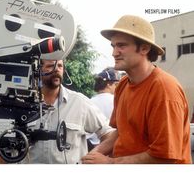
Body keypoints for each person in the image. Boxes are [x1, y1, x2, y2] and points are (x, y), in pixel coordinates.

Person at [82, 15, 192, 164]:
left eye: (121, 45)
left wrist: (109, 163)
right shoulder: (122, 85)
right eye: (113, 46)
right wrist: (92, 156)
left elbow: (165, 157)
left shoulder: (164, 89)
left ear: (145, 48)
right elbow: (120, 132)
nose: (114, 53)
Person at [23, 59, 114, 164]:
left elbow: (109, 133)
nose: (56, 70)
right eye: (50, 66)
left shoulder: (80, 102)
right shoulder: (22, 102)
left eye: (60, 66)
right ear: (37, 70)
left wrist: (92, 157)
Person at [87, 67, 120, 150]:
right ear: (108, 84)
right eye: (115, 84)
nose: (117, 87)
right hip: (112, 146)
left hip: (91, 149)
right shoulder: (117, 101)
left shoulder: (88, 102)